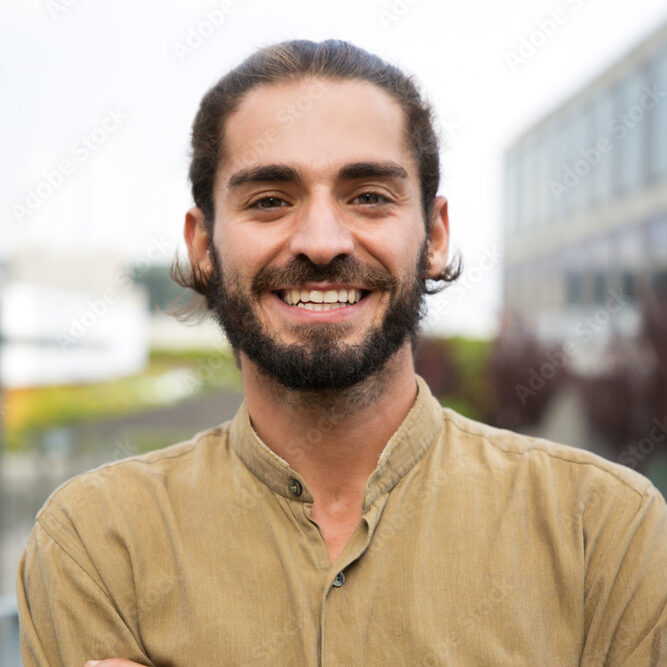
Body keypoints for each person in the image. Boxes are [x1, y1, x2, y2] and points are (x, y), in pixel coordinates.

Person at [17, 39, 666, 666]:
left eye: (368, 197)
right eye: (269, 200)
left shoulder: (605, 531)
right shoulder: (96, 541)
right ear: (203, 247)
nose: (322, 241)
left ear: (433, 236)